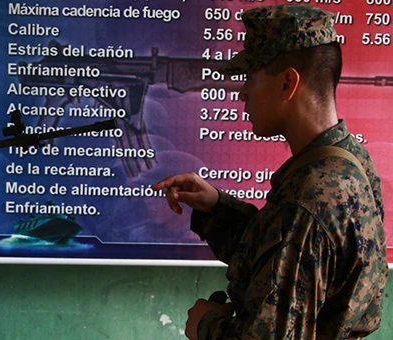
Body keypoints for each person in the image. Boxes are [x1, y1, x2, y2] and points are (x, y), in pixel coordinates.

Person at [152, 4, 387, 339]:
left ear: (288, 83)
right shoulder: (347, 161)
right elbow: (285, 261)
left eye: (251, 77)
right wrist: (218, 207)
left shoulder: (309, 196)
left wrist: (206, 326)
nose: (242, 92)